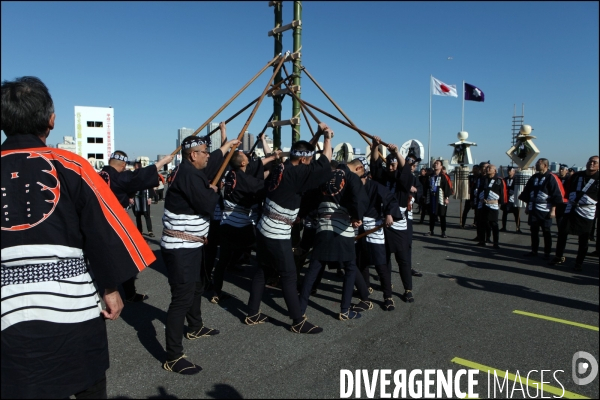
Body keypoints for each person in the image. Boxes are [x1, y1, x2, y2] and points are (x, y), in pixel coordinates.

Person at [1, 76, 156, 399]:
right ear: (51, 120)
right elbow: (102, 233)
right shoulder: (71, 165)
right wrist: (111, 288)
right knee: (86, 383)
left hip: (6, 314)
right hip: (72, 307)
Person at [160, 133, 240, 375]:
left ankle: (195, 326)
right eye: (205, 152)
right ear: (193, 155)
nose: (208, 155)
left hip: (191, 245)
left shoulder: (189, 170)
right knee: (181, 298)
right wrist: (215, 190)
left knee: (195, 286)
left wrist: (226, 147)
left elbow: (214, 162)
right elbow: (207, 204)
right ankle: (173, 356)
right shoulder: (189, 175)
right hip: (180, 247)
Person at [246, 123, 333, 334]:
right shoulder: (297, 174)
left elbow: (307, 154)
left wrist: (317, 135)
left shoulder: (283, 167)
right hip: (277, 231)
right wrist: (328, 138)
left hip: (264, 226)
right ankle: (297, 321)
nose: (309, 162)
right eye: (308, 159)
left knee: (261, 270)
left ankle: (252, 313)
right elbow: (325, 163)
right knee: (288, 274)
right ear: (303, 159)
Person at [299, 157, 371, 321]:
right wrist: (357, 216)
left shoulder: (325, 175)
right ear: (359, 168)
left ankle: (300, 309)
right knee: (350, 268)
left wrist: (302, 214)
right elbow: (359, 199)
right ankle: (344, 310)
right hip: (342, 228)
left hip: (322, 226)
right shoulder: (350, 177)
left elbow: (309, 197)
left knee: (313, 268)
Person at [99, 150, 173, 302]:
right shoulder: (118, 177)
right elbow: (139, 176)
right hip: (113, 225)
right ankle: (124, 294)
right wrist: (162, 162)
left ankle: (124, 292)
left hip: (95, 225)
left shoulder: (98, 175)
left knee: (102, 261)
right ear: (124, 164)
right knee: (125, 259)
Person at [210, 150, 277, 304]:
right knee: (264, 252)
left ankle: (216, 292)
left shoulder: (231, 174)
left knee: (222, 261)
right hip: (241, 226)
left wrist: (271, 158)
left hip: (226, 224)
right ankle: (265, 285)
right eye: (247, 158)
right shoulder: (243, 179)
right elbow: (260, 185)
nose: (250, 159)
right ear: (243, 163)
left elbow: (254, 168)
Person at [370, 137, 418, 303]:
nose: (391, 167)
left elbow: (406, 169)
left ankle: (408, 289)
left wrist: (397, 152)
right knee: (384, 258)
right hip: (382, 221)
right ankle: (387, 286)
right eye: (389, 164)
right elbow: (375, 164)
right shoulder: (383, 177)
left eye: (394, 164)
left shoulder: (405, 179)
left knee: (402, 258)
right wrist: (375, 146)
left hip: (399, 222)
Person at [354, 158, 403, 310]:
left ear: (366, 175)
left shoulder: (375, 186)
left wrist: (389, 214)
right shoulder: (352, 187)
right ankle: (364, 291)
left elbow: (391, 200)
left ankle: (388, 296)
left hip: (374, 226)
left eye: (360, 179)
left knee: (381, 264)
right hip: (357, 227)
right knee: (360, 262)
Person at [550, 156, 599, 271]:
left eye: (595, 162)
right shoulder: (576, 176)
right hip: (571, 207)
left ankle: (579, 262)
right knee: (562, 232)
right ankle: (558, 256)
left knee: (583, 238)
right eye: (590, 161)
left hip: (588, 210)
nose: (591, 164)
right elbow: (567, 190)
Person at [518, 158, 566, 259]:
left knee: (546, 231)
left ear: (545, 165)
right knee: (534, 231)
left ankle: (547, 252)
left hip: (545, 208)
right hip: (533, 207)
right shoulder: (534, 177)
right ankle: (534, 250)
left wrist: (553, 210)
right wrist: (527, 206)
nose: (536, 165)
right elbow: (528, 192)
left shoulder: (552, 177)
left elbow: (556, 195)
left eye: (538, 163)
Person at [476, 164, 507, 248]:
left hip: (493, 204)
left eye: (490, 168)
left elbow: (503, 193)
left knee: (494, 224)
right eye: (487, 168)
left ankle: (496, 242)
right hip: (482, 204)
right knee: (482, 223)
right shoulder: (483, 179)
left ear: (495, 170)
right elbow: (479, 190)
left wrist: (501, 203)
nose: (487, 169)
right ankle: (482, 240)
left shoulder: (499, 180)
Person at [423, 160, 451, 238]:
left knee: (442, 215)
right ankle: (431, 230)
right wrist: (425, 197)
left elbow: (447, 188)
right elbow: (426, 187)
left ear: (441, 166)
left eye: (437, 164)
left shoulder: (443, 176)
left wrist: (446, 197)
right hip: (431, 197)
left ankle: (443, 231)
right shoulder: (430, 176)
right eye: (435, 163)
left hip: (440, 197)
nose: (435, 165)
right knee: (431, 215)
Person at [132, 161, 155, 237]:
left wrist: (150, 197)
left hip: (145, 198)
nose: (138, 167)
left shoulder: (145, 176)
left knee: (147, 215)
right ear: (134, 167)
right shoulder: (132, 176)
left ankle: (150, 231)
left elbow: (150, 186)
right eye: (137, 166)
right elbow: (129, 187)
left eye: (139, 166)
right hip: (136, 199)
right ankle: (139, 231)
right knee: (137, 216)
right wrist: (130, 197)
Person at [500, 166, 522, 233]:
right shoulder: (505, 179)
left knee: (516, 214)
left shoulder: (516, 179)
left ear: (514, 172)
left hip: (514, 199)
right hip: (506, 199)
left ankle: (518, 228)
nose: (509, 172)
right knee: (504, 213)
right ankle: (503, 227)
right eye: (508, 171)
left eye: (510, 171)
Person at [460, 164, 480, 229]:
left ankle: (476, 223)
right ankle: (463, 223)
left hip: (477, 196)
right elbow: (464, 183)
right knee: (465, 210)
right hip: (469, 195)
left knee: (477, 211)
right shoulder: (470, 177)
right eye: (474, 169)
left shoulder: (480, 177)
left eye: (476, 169)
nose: (474, 170)